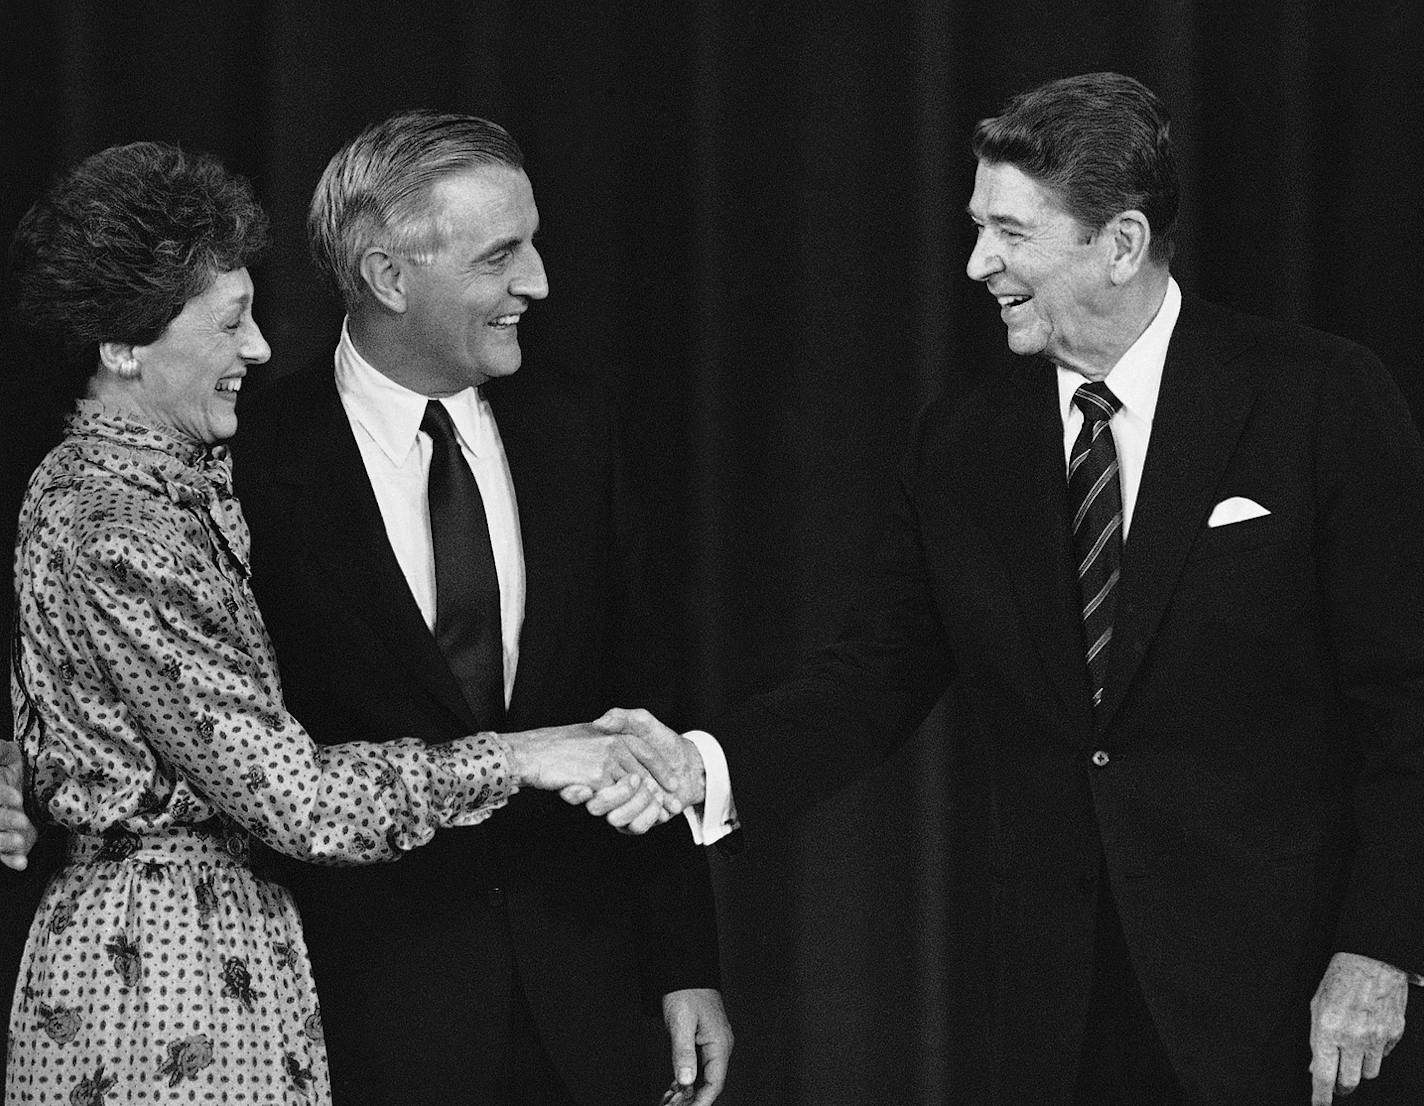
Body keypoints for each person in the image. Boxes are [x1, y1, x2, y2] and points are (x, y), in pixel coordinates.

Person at [596, 72, 1424, 1105]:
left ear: (1119, 243)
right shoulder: (965, 441)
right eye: (976, 227)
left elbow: (1407, 709)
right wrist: (699, 767)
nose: (976, 263)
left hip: (1297, 1006)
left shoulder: (1318, 398)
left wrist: (1379, 947)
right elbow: (872, 676)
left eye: (1009, 232)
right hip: (1060, 1011)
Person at [1, 140, 687, 1104]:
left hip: (248, 958)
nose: (260, 347)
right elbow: (298, 800)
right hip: (172, 982)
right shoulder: (130, 514)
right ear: (121, 345)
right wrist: (526, 755)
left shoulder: (158, 482)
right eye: (232, 322)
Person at [230, 111, 729, 1106]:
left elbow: (644, 701)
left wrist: (683, 960)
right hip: (354, 1012)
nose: (537, 282)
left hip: (576, 1002)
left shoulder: (576, 433)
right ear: (386, 276)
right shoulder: (249, 457)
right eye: (502, 255)